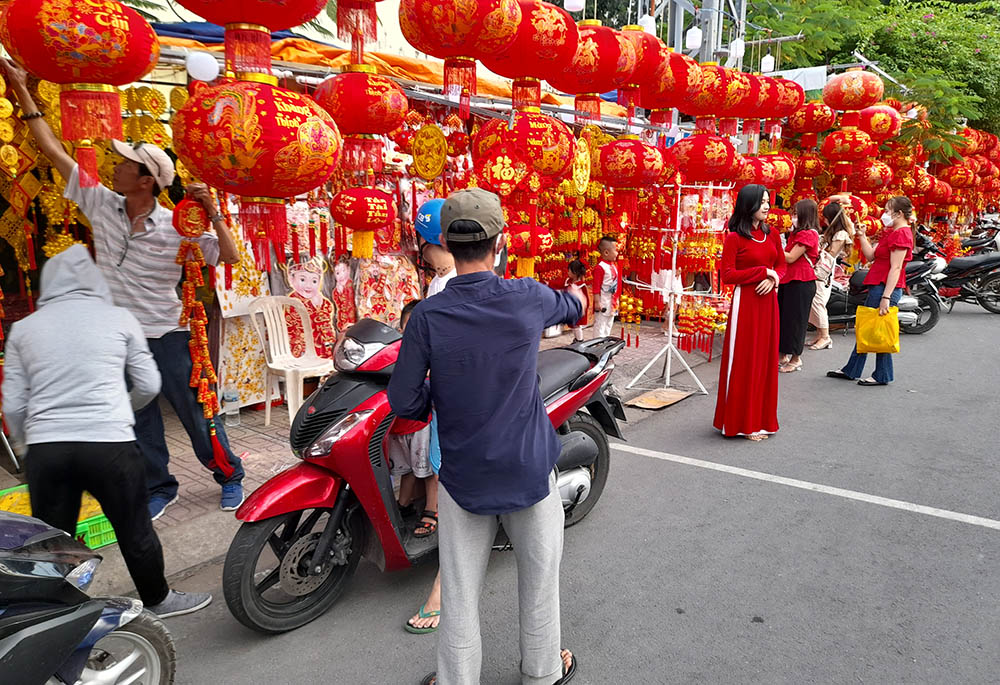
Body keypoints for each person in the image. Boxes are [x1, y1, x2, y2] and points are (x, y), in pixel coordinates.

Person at [3, 59, 245, 520]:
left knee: (197, 415)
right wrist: (22, 92)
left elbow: (229, 257)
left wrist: (212, 211)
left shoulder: (178, 227)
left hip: (170, 334)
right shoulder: (103, 205)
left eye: (125, 165)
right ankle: (160, 486)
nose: (114, 167)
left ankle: (229, 475)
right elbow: (54, 152)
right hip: (119, 339)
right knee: (139, 418)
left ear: (147, 180)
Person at [387, 188, 584, 685]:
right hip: (528, 471)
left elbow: (405, 401)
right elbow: (571, 307)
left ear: (447, 246)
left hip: (464, 476)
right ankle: (541, 673)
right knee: (539, 583)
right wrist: (578, 297)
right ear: (501, 242)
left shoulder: (428, 317)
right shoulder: (526, 296)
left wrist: (444, 391)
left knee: (458, 591)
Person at [2, 246, 212, 618]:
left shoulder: (24, 329)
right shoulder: (118, 318)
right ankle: (158, 599)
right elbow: (148, 384)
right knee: (134, 527)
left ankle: (54, 616)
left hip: (48, 448)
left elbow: (14, 403)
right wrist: (118, 411)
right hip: (110, 444)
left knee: (53, 540)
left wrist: (25, 445)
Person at [713, 184, 785, 441]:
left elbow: (781, 264)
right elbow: (728, 275)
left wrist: (774, 278)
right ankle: (743, 423)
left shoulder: (772, 234)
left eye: (768, 201)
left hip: (769, 305)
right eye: (762, 202)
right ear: (748, 205)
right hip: (746, 305)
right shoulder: (734, 238)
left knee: (765, 361)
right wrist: (762, 273)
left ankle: (762, 420)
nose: (767, 206)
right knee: (746, 361)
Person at [828, 196, 915, 386]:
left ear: (899, 213)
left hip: (885, 287)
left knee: (878, 330)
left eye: (887, 210)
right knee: (870, 328)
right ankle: (854, 369)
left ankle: (879, 374)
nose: (884, 214)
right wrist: (861, 235)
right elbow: (871, 256)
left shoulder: (902, 234)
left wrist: (886, 296)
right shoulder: (892, 233)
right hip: (878, 285)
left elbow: (896, 268)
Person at [391, 301, 439, 539]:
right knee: (407, 467)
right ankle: (404, 504)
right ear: (400, 329)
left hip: (426, 420)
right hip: (402, 423)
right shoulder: (394, 352)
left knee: (431, 465)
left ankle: (433, 508)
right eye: (410, 327)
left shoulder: (435, 354)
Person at [777, 200, 821, 373]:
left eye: (795, 214)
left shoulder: (808, 234)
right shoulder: (796, 234)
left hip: (801, 282)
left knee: (796, 321)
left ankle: (796, 358)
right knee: (785, 319)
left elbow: (790, 257)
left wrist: (772, 244)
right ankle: (783, 354)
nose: (792, 217)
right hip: (789, 280)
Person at [807, 200, 855, 350]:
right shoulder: (831, 232)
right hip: (821, 267)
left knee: (818, 302)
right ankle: (819, 334)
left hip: (825, 270)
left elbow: (832, 253)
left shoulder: (841, 234)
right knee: (814, 302)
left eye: (826, 216)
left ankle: (826, 337)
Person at [591, 235, 621, 338]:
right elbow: (596, 287)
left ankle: (604, 346)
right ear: (606, 252)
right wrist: (597, 302)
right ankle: (597, 347)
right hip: (603, 302)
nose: (617, 253)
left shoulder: (613, 265)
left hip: (612, 302)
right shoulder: (600, 268)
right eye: (616, 250)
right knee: (600, 326)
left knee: (608, 325)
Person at [566, 259, 589, 342]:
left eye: (569, 270)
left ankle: (580, 340)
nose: (567, 272)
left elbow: (585, 299)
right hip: (571, 308)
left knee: (577, 326)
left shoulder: (581, 286)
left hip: (578, 309)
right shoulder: (569, 282)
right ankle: (577, 339)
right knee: (574, 325)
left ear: (574, 272)